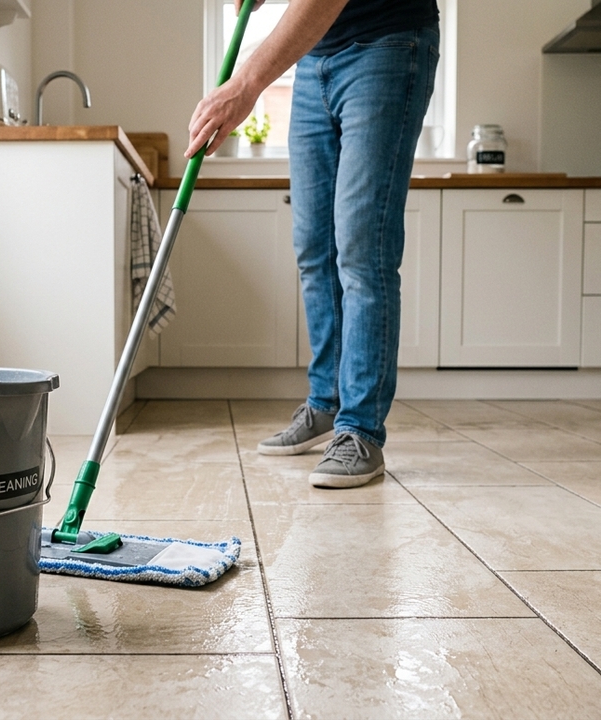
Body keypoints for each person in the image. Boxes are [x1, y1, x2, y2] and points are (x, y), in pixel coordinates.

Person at [186, 0, 440, 488]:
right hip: (314, 60)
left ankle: (360, 430)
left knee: (363, 250)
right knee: (314, 248)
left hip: (387, 43)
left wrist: (245, 84)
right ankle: (326, 403)